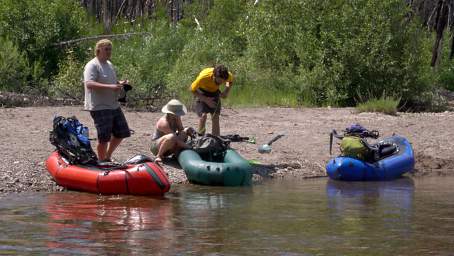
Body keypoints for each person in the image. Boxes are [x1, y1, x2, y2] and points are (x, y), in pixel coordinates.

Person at [83, 39, 131, 162]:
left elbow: (111, 82)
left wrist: (120, 83)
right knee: (104, 138)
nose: (109, 51)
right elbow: (89, 84)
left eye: (110, 49)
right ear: (98, 50)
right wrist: (111, 87)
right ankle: (101, 161)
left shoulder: (109, 64)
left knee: (122, 132)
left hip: (113, 105)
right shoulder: (92, 65)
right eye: (106, 49)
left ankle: (107, 157)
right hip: (99, 106)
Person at [190, 64, 234, 136]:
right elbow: (192, 89)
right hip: (201, 91)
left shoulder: (228, 75)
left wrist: (226, 91)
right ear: (214, 76)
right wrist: (206, 100)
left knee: (215, 116)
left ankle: (216, 138)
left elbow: (229, 82)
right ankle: (200, 137)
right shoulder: (203, 77)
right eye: (218, 82)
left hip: (214, 92)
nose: (220, 83)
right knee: (203, 116)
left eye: (222, 82)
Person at [150, 99, 195, 163]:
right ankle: (159, 155)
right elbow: (175, 139)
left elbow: (181, 130)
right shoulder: (163, 122)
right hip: (157, 147)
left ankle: (177, 153)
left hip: (170, 143)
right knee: (171, 137)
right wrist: (190, 147)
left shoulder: (176, 118)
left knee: (184, 132)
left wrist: (188, 131)